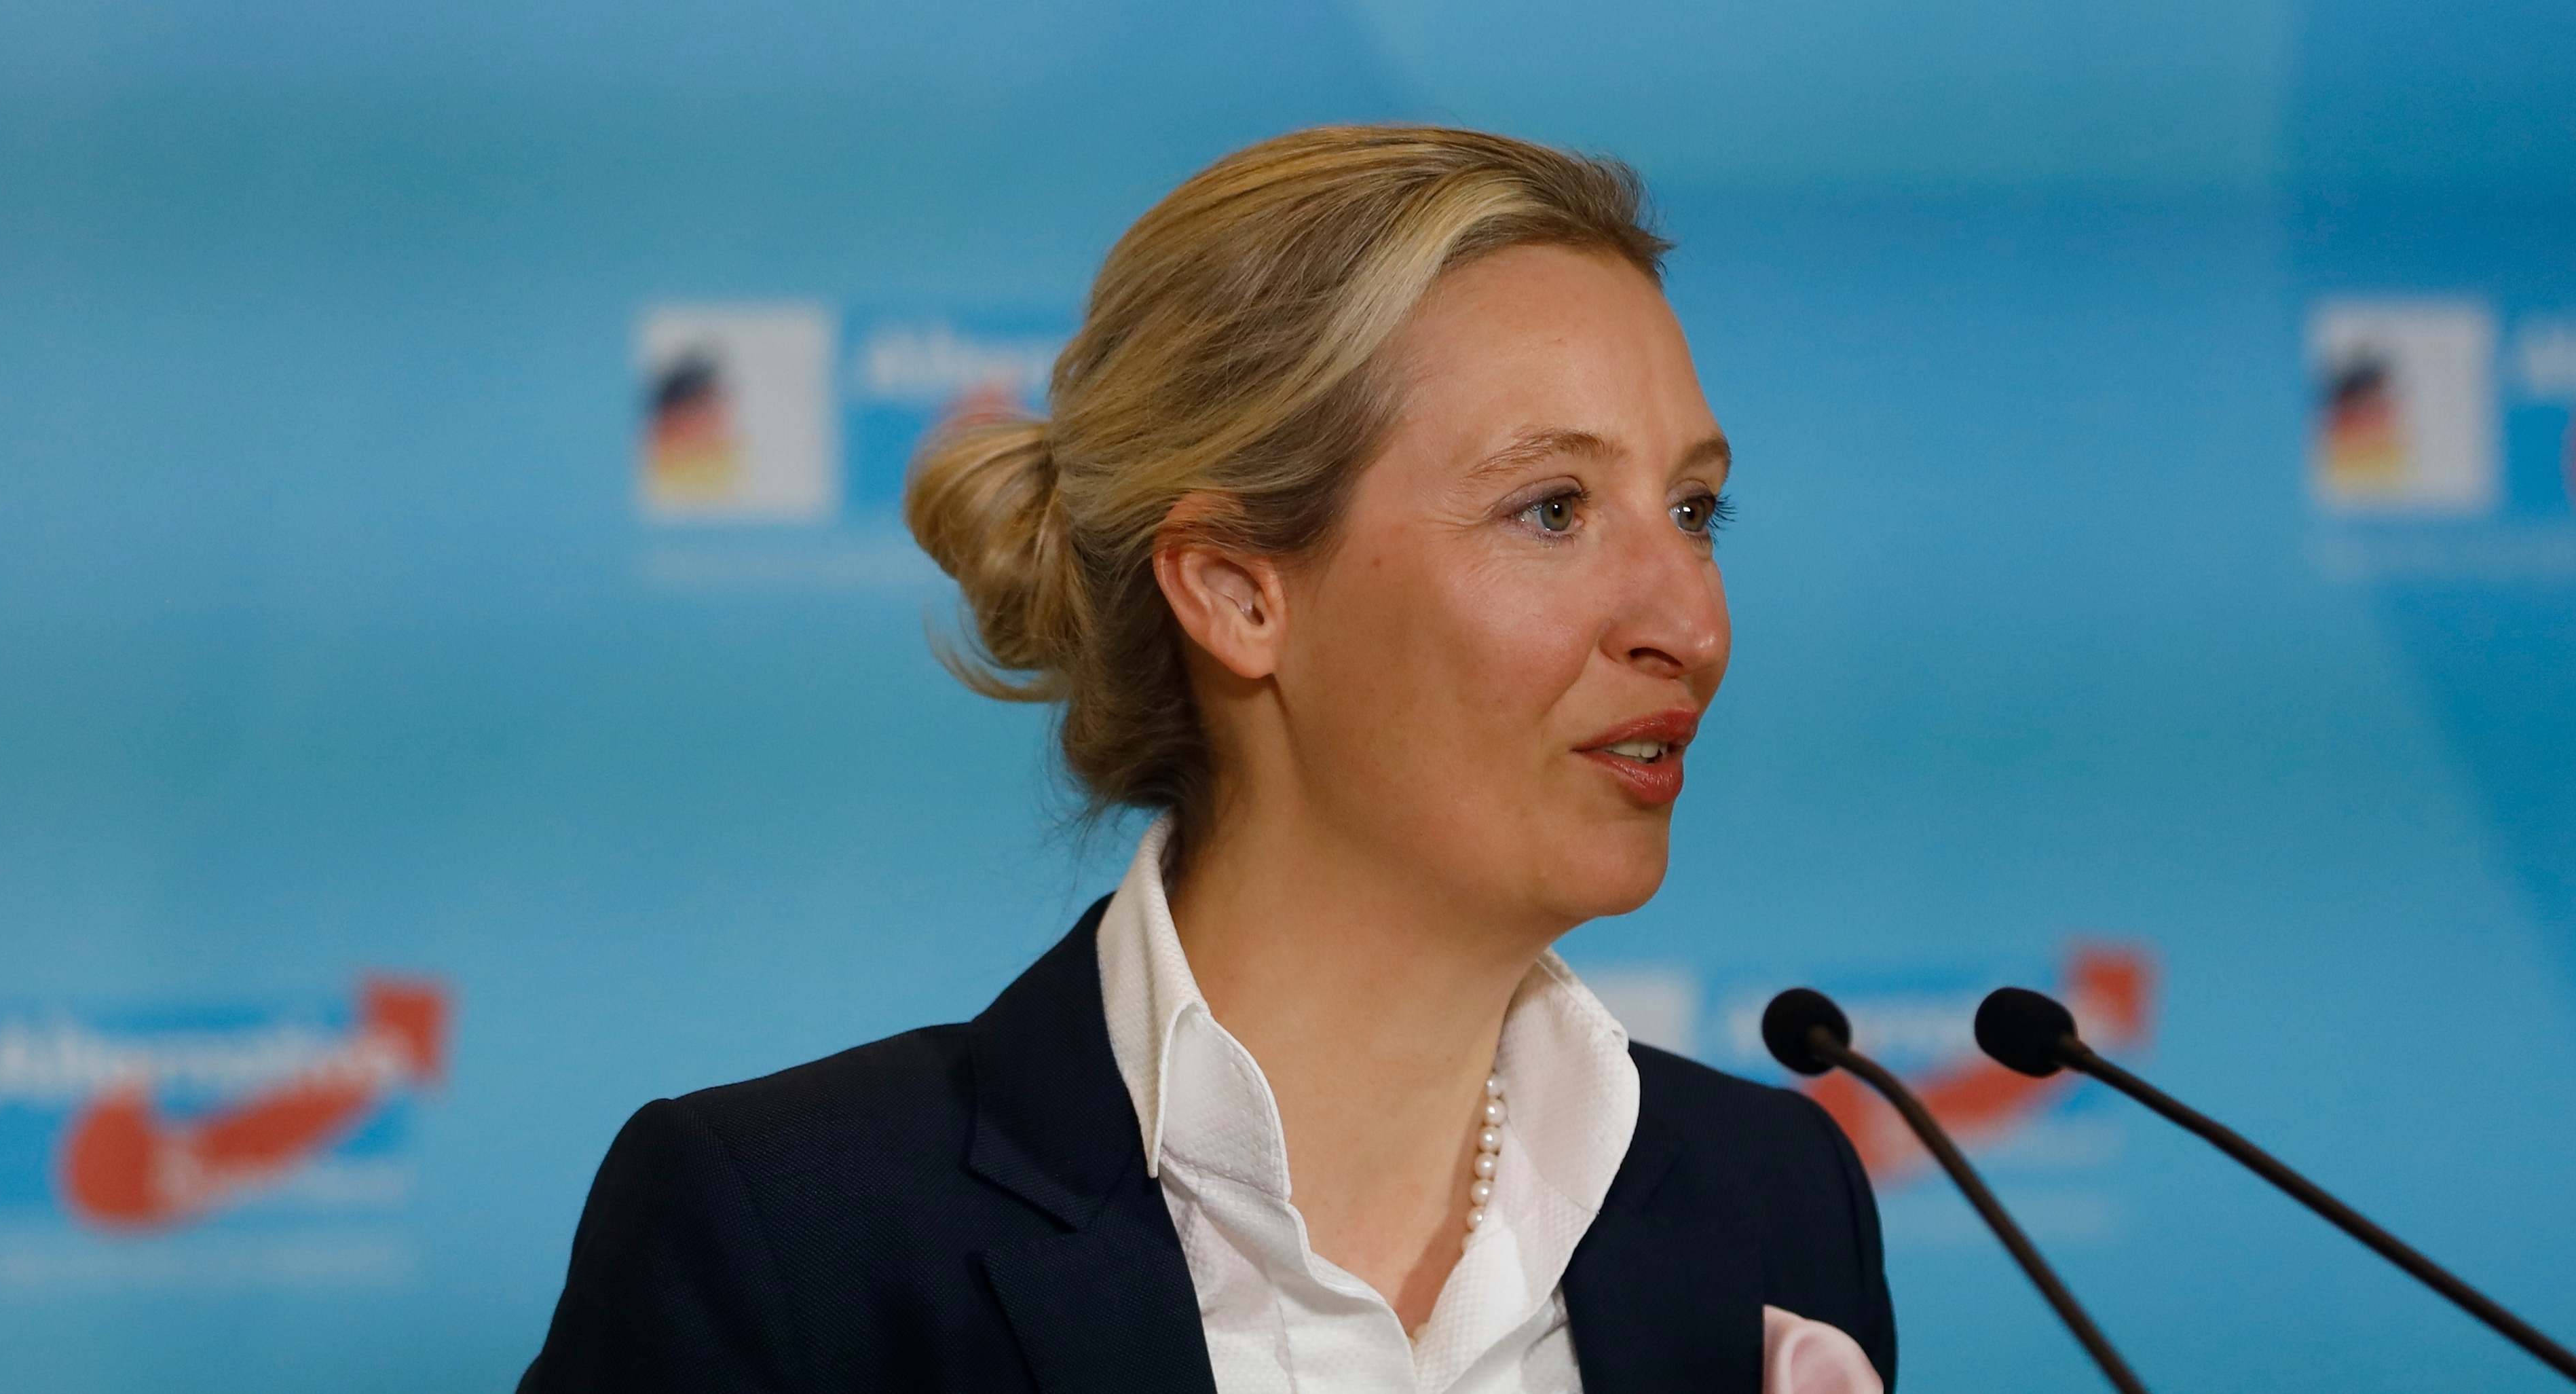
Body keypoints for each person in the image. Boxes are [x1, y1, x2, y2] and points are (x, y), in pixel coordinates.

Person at [524, 124, 1893, 1394]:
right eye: (1552, 509)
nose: (1692, 625)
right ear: (1239, 592)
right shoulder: (793, 1241)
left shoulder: (1769, 1199)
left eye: (1695, 507)